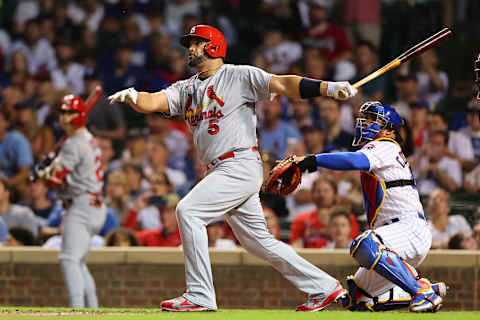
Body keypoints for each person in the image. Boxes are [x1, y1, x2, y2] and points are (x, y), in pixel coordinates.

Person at [108, 24, 357, 312]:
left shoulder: (239, 75)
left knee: (188, 211)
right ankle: (325, 288)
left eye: (196, 43)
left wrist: (327, 87)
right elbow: (155, 101)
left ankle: (200, 295)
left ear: (213, 45)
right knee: (258, 242)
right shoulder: (187, 87)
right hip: (219, 169)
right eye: (189, 43)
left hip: (238, 162)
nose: (190, 48)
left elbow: (283, 84)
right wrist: (135, 96)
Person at [292, 101, 446, 312]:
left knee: (363, 244)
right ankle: (428, 289)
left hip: (408, 229)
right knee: (356, 299)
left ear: (390, 130)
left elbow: (356, 161)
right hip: (393, 239)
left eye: (374, 120)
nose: (366, 123)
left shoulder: (386, 145)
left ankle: (421, 291)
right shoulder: (382, 149)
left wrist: (312, 160)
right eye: (365, 119)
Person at [34, 94, 106, 308]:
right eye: (63, 113)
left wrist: (44, 173)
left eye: (70, 112)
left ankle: (77, 310)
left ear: (80, 114)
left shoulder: (74, 143)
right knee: (78, 261)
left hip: (81, 205)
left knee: (68, 259)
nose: (65, 118)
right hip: (92, 204)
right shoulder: (85, 138)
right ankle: (91, 309)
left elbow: (55, 181)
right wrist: (50, 167)